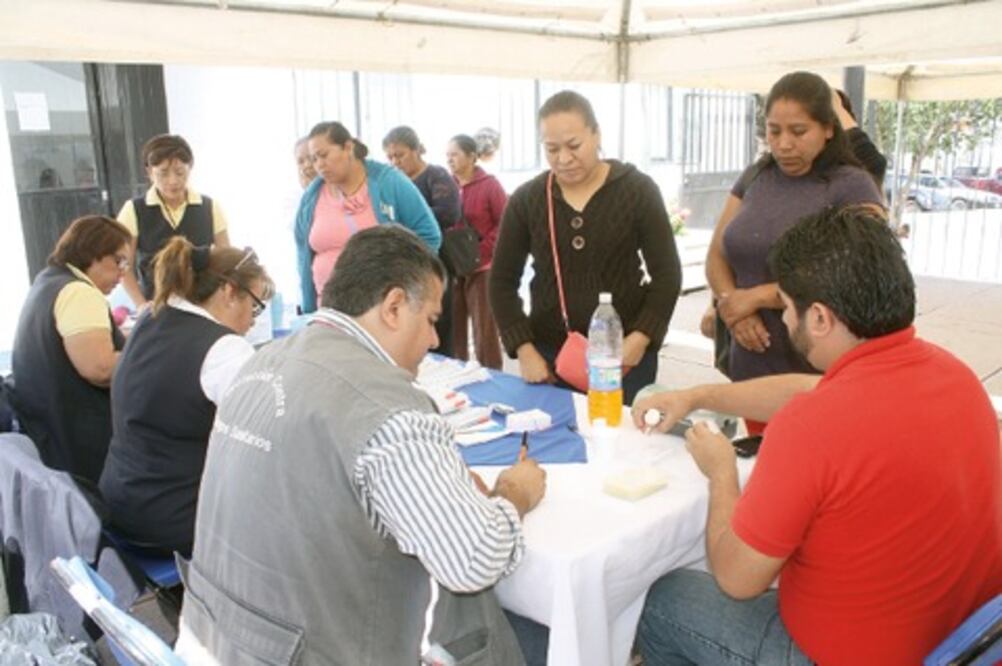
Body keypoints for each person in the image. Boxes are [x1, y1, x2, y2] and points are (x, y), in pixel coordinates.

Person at [632, 206, 1002, 665]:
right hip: (957, 636)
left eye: (786, 307)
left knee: (665, 599)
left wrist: (721, 472)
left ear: (821, 318)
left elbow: (735, 576)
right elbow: (810, 393)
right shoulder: (956, 378)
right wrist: (697, 395)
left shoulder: (810, 426)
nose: (785, 321)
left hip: (843, 653)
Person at [175, 225, 545, 665]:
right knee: (530, 631)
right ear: (392, 307)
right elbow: (473, 560)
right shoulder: (389, 407)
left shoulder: (262, 363)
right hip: (314, 650)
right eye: (429, 319)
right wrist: (513, 495)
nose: (432, 340)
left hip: (216, 637)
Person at [706, 72, 883, 427]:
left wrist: (755, 297)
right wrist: (734, 307)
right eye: (774, 131)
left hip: (816, 376)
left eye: (799, 132)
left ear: (829, 129)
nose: (784, 144)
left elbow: (857, 274)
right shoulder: (756, 175)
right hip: (753, 372)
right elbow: (716, 254)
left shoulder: (852, 185)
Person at [489, 90, 682, 404]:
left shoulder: (637, 190)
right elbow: (500, 282)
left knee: (625, 445)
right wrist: (524, 350)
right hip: (550, 358)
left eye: (574, 145)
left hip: (625, 358)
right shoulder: (527, 199)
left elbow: (667, 274)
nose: (563, 159)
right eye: (551, 149)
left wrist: (641, 337)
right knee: (555, 447)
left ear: (596, 135)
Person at [99, 239, 273, 557]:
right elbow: (266, 433)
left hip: (120, 504)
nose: (253, 321)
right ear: (229, 291)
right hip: (177, 521)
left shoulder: (151, 318)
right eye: (256, 306)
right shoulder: (223, 350)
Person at [10, 215, 132, 487]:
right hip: (77, 440)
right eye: (119, 261)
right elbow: (98, 368)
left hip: (46, 427)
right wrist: (146, 357)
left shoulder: (48, 280)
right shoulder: (79, 293)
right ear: (94, 252)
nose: (123, 273)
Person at [294, 121, 442, 313]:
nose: (319, 165)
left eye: (324, 155)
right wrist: (308, 308)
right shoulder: (311, 196)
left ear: (348, 147)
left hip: (383, 311)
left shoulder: (389, 182)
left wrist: (403, 283)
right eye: (314, 159)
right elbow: (302, 254)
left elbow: (429, 235)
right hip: (330, 313)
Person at [117, 134, 231, 308]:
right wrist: (141, 304)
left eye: (180, 172)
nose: (173, 181)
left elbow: (226, 258)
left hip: (201, 306)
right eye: (163, 173)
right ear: (149, 171)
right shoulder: (133, 210)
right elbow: (124, 266)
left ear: (190, 167)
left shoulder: (209, 207)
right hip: (157, 307)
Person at [383, 125, 462, 356]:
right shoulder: (393, 183)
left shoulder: (435, 175)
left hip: (437, 259)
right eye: (390, 157)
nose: (395, 162)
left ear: (416, 150)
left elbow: (449, 213)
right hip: (404, 263)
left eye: (400, 155)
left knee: (439, 320)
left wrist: (412, 217)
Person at [447, 133, 506, 369]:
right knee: (455, 328)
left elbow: (505, 223)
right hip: (454, 266)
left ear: (472, 157)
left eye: (455, 154)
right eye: (447, 155)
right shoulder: (446, 185)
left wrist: (482, 250)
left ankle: (493, 376)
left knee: (485, 330)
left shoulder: (490, 185)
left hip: (482, 267)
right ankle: (456, 375)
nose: (450, 160)